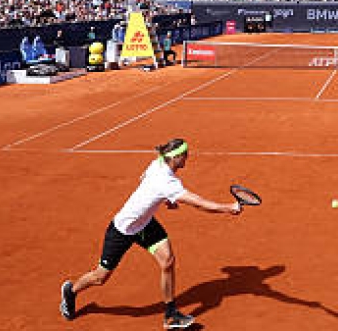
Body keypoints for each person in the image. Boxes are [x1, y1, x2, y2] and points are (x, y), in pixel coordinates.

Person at [60, 138, 241, 329]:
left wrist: (166, 199)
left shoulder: (158, 163)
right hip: (123, 229)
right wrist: (228, 208)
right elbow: (198, 202)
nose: (188, 157)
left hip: (145, 225)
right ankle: (71, 291)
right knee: (100, 277)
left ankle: (171, 315)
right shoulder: (167, 181)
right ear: (176, 157)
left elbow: (143, 178)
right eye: (185, 154)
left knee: (168, 261)